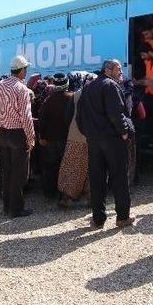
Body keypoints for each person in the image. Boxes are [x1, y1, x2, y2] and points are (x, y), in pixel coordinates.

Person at [76, 59, 135, 229]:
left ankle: (98, 218)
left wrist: (88, 133)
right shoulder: (111, 86)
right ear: (108, 70)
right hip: (112, 140)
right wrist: (124, 132)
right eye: (118, 69)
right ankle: (122, 217)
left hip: (94, 141)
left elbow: (79, 117)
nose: (121, 72)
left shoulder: (88, 88)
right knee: (119, 178)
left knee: (97, 179)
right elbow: (117, 113)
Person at [0, 55, 36, 218]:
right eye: (26, 69)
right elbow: (26, 115)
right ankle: (16, 209)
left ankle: (7, 206)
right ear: (22, 70)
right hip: (18, 133)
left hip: (4, 132)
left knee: (7, 171)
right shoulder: (21, 88)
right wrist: (31, 138)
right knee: (19, 174)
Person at [57, 72, 96, 207]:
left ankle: (65, 197)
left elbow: (68, 116)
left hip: (75, 135)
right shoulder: (99, 95)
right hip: (94, 137)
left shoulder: (77, 94)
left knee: (71, 166)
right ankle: (91, 198)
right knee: (93, 167)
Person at [37, 73, 73, 201]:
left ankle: (50, 193)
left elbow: (42, 120)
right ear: (66, 83)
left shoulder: (48, 100)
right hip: (68, 138)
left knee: (50, 166)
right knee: (67, 166)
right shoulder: (71, 98)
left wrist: (42, 136)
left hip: (51, 139)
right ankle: (66, 194)